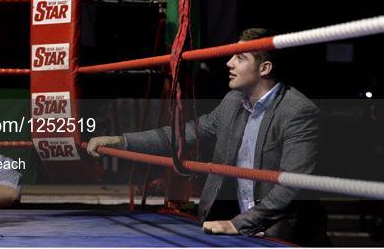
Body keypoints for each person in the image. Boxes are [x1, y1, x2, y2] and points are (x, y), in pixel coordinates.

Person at [87, 28, 329, 246]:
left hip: (282, 230)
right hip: (237, 224)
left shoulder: (298, 111)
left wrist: (240, 224)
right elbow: (184, 135)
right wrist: (121, 141)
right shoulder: (232, 102)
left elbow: (293, 183)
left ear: (264, 69)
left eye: (240, 57)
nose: (229, 63)